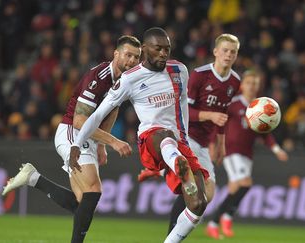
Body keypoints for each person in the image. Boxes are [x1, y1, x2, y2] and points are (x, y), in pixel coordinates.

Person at [69, 27, 209, 243]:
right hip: (150, 139)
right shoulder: (129, 79)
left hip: (177, 143)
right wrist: (77, 145)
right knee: (163, 134)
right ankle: (175, 161)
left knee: (199, 204)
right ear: (144, 49)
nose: (164, 53)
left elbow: (182, 107)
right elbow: (97, 116)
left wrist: (185, 140)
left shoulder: (179, 70)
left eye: (167, 49)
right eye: (158, 48)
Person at [1, 35, 141, 243]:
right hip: (72, 133)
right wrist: (113, 141)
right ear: (116, 54)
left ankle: (33, 178)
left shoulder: (124, 80)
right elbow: (79, 120)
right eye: (128, 55)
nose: (132, 61)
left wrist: (101, 145)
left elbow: (112, 110)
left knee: (82, 203)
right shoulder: (99, 77)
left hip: (90, 136)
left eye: (136, 57)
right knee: (94, 189)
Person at [138, 33, 242, 234]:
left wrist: (220, 143)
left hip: (203, 143)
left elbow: (223, 115)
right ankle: (172, 233)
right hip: (186, 136)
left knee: (208, 194)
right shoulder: (200, 75)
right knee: (193, 191)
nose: (228, 55)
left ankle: (162, 170)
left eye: (233, 52)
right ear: (215, 52)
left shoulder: (234, 81)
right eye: (225, 51)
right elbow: (186, 111)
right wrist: (210, 116)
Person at [206, 70, 289, 239]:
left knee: (235, 188)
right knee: (245, 183)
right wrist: (213, 144)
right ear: (242, 85)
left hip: (247, 153)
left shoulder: (261, 108)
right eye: (249, 83)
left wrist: (277, 150)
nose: (252, 86)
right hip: (231, 150)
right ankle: (224, 219)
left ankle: (215, 223)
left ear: (258, 87)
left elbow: (266, 134)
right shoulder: (233, 104)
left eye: (255, 83)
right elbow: (218, 124)